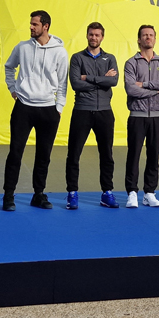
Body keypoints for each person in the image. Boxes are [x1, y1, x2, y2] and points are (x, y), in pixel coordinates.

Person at [2, 10, 68, 212]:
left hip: (48, 109)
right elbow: (9, 67)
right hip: (23, 107)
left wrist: (59, 107)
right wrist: (13, 89)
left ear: (45, 26)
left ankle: (38, 194)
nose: (31, 27)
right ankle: (8, 195)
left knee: (44, 155)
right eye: (31, 24)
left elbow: (63, 82)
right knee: (15, 152)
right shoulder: (22, 47)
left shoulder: (60, 51)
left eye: (35, 24)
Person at [65, 22, 120, 210]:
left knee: (107, 155)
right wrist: (101, 80)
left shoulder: (110, 58)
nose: (94, 38)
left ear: (102, 37)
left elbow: (113, 81)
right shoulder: (77, 58)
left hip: (105, 112)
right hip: (82, 110)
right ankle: (72, 193)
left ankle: (107, 192)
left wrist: (87, 77)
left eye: (97, 35)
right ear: (87, 36)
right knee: (74, 154)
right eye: (91, 34)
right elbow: (75, 84)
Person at [123, 25, 159, 208]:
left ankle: (149, 193)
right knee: (134, 155)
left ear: (155, 38)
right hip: (137, 114)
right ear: (139, 39)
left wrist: (144, 84)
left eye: (151, 35)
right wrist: (156, 90)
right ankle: (132, 192)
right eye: (144, 35)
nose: (148, 38)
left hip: (158, 116)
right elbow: (131, 89)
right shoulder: (131, 63)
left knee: (154, 155)